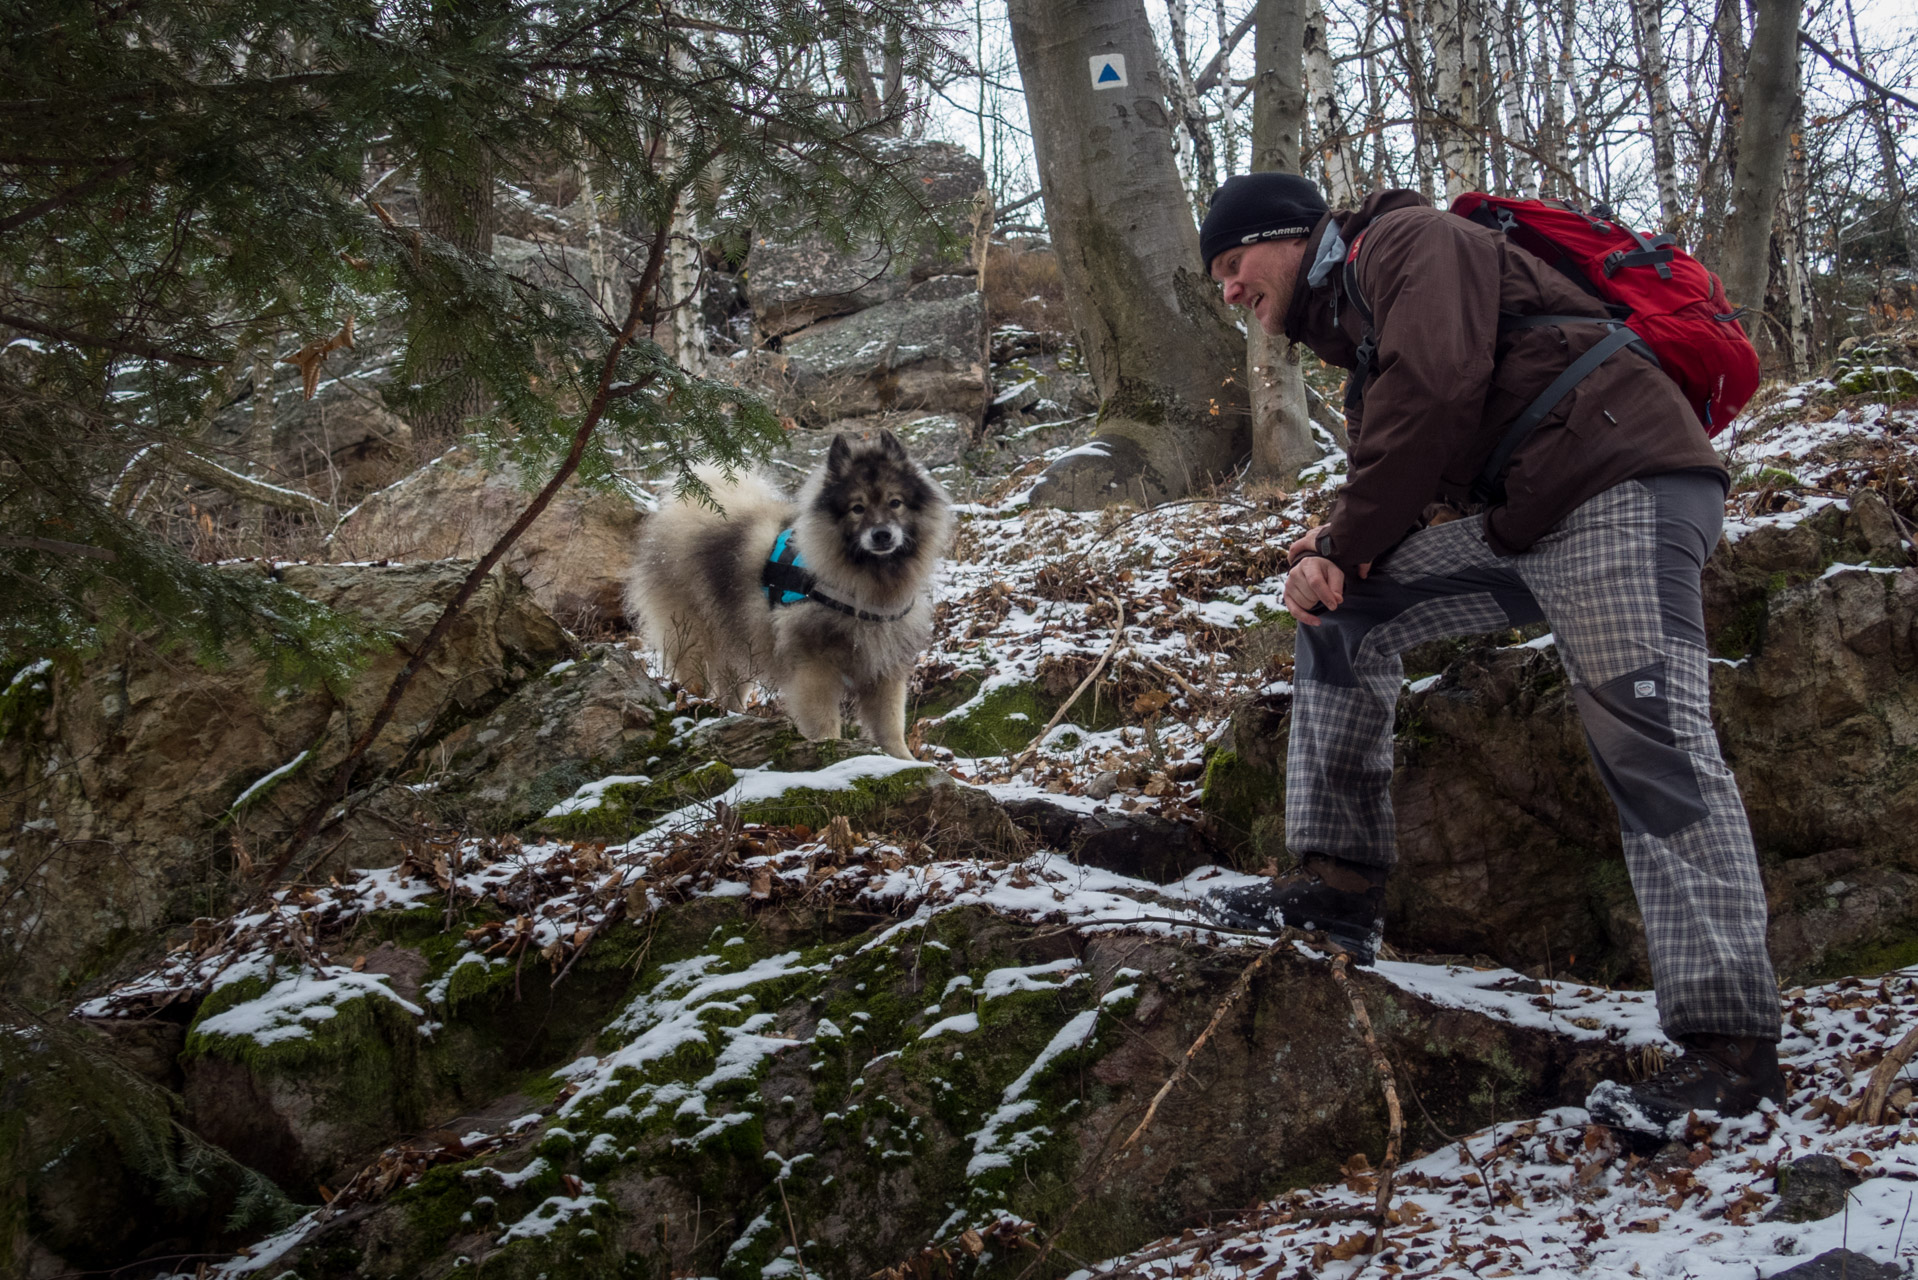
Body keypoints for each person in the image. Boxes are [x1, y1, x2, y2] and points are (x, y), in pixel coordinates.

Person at [1194, 172, 1784, 1132]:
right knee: (1348, 615)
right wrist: (1334, 558)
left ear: (1293, 236)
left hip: (1621, 487)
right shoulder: (1359, 327)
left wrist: (1345, 538)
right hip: (1531, 517)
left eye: (1234, 262)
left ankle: (1731, 1055)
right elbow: (1433, 445)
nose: (1228, 290)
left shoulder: (1407, 244)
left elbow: (1434, 391)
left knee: (1652, 746)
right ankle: (1337, 894)